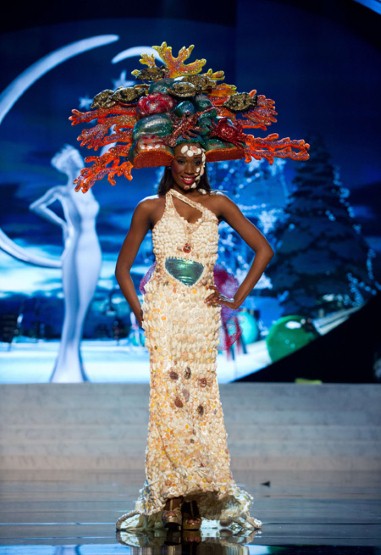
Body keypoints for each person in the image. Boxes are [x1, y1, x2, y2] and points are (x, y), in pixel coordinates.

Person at [70, 42, 309, 538]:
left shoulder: (220, 202)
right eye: (182, 159)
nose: (190, 166)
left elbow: (263, 250)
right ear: (168, 160)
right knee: (166, 397)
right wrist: (139, 310)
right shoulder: (149, 207)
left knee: (200, 396)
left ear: (205, 160)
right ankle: (171, 496)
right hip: (164, 310)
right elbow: (121, 268)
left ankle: (200, 492)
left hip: (200, 311)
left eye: (197, 159)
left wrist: (237, 297)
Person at [30, 145, 102, 382]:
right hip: (76, 250)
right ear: (69, 164)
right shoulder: (62, 191)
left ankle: (74, 365)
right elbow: (36, 206)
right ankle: (66, 368)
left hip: (94, 251)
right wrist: (62, 224)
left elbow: (105, 156)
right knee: (75, 308)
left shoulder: (87, 187)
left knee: (83, 307)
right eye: (77, 158)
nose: (82, 160)